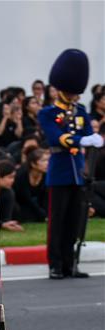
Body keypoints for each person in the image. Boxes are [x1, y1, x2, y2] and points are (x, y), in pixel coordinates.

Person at [39, 49, 103, 279]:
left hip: (78, 171)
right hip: (59, 171)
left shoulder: (82, 111)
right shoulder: (48, 113)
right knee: (57, 221)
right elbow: (56, 137)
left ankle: (70, 263)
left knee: (75, 221)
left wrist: (93, 137)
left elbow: (87, 133)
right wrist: (81, 140)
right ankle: (55, 264)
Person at [13, 148, 49, 222]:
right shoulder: (22, 175)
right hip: (19, 203)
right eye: (43, 160)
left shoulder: (46, 175)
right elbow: (27, 198)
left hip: (35, 203)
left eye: (48, 160)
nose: (47, 163)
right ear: (33, 164)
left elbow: (45, 197)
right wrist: (42, 214)